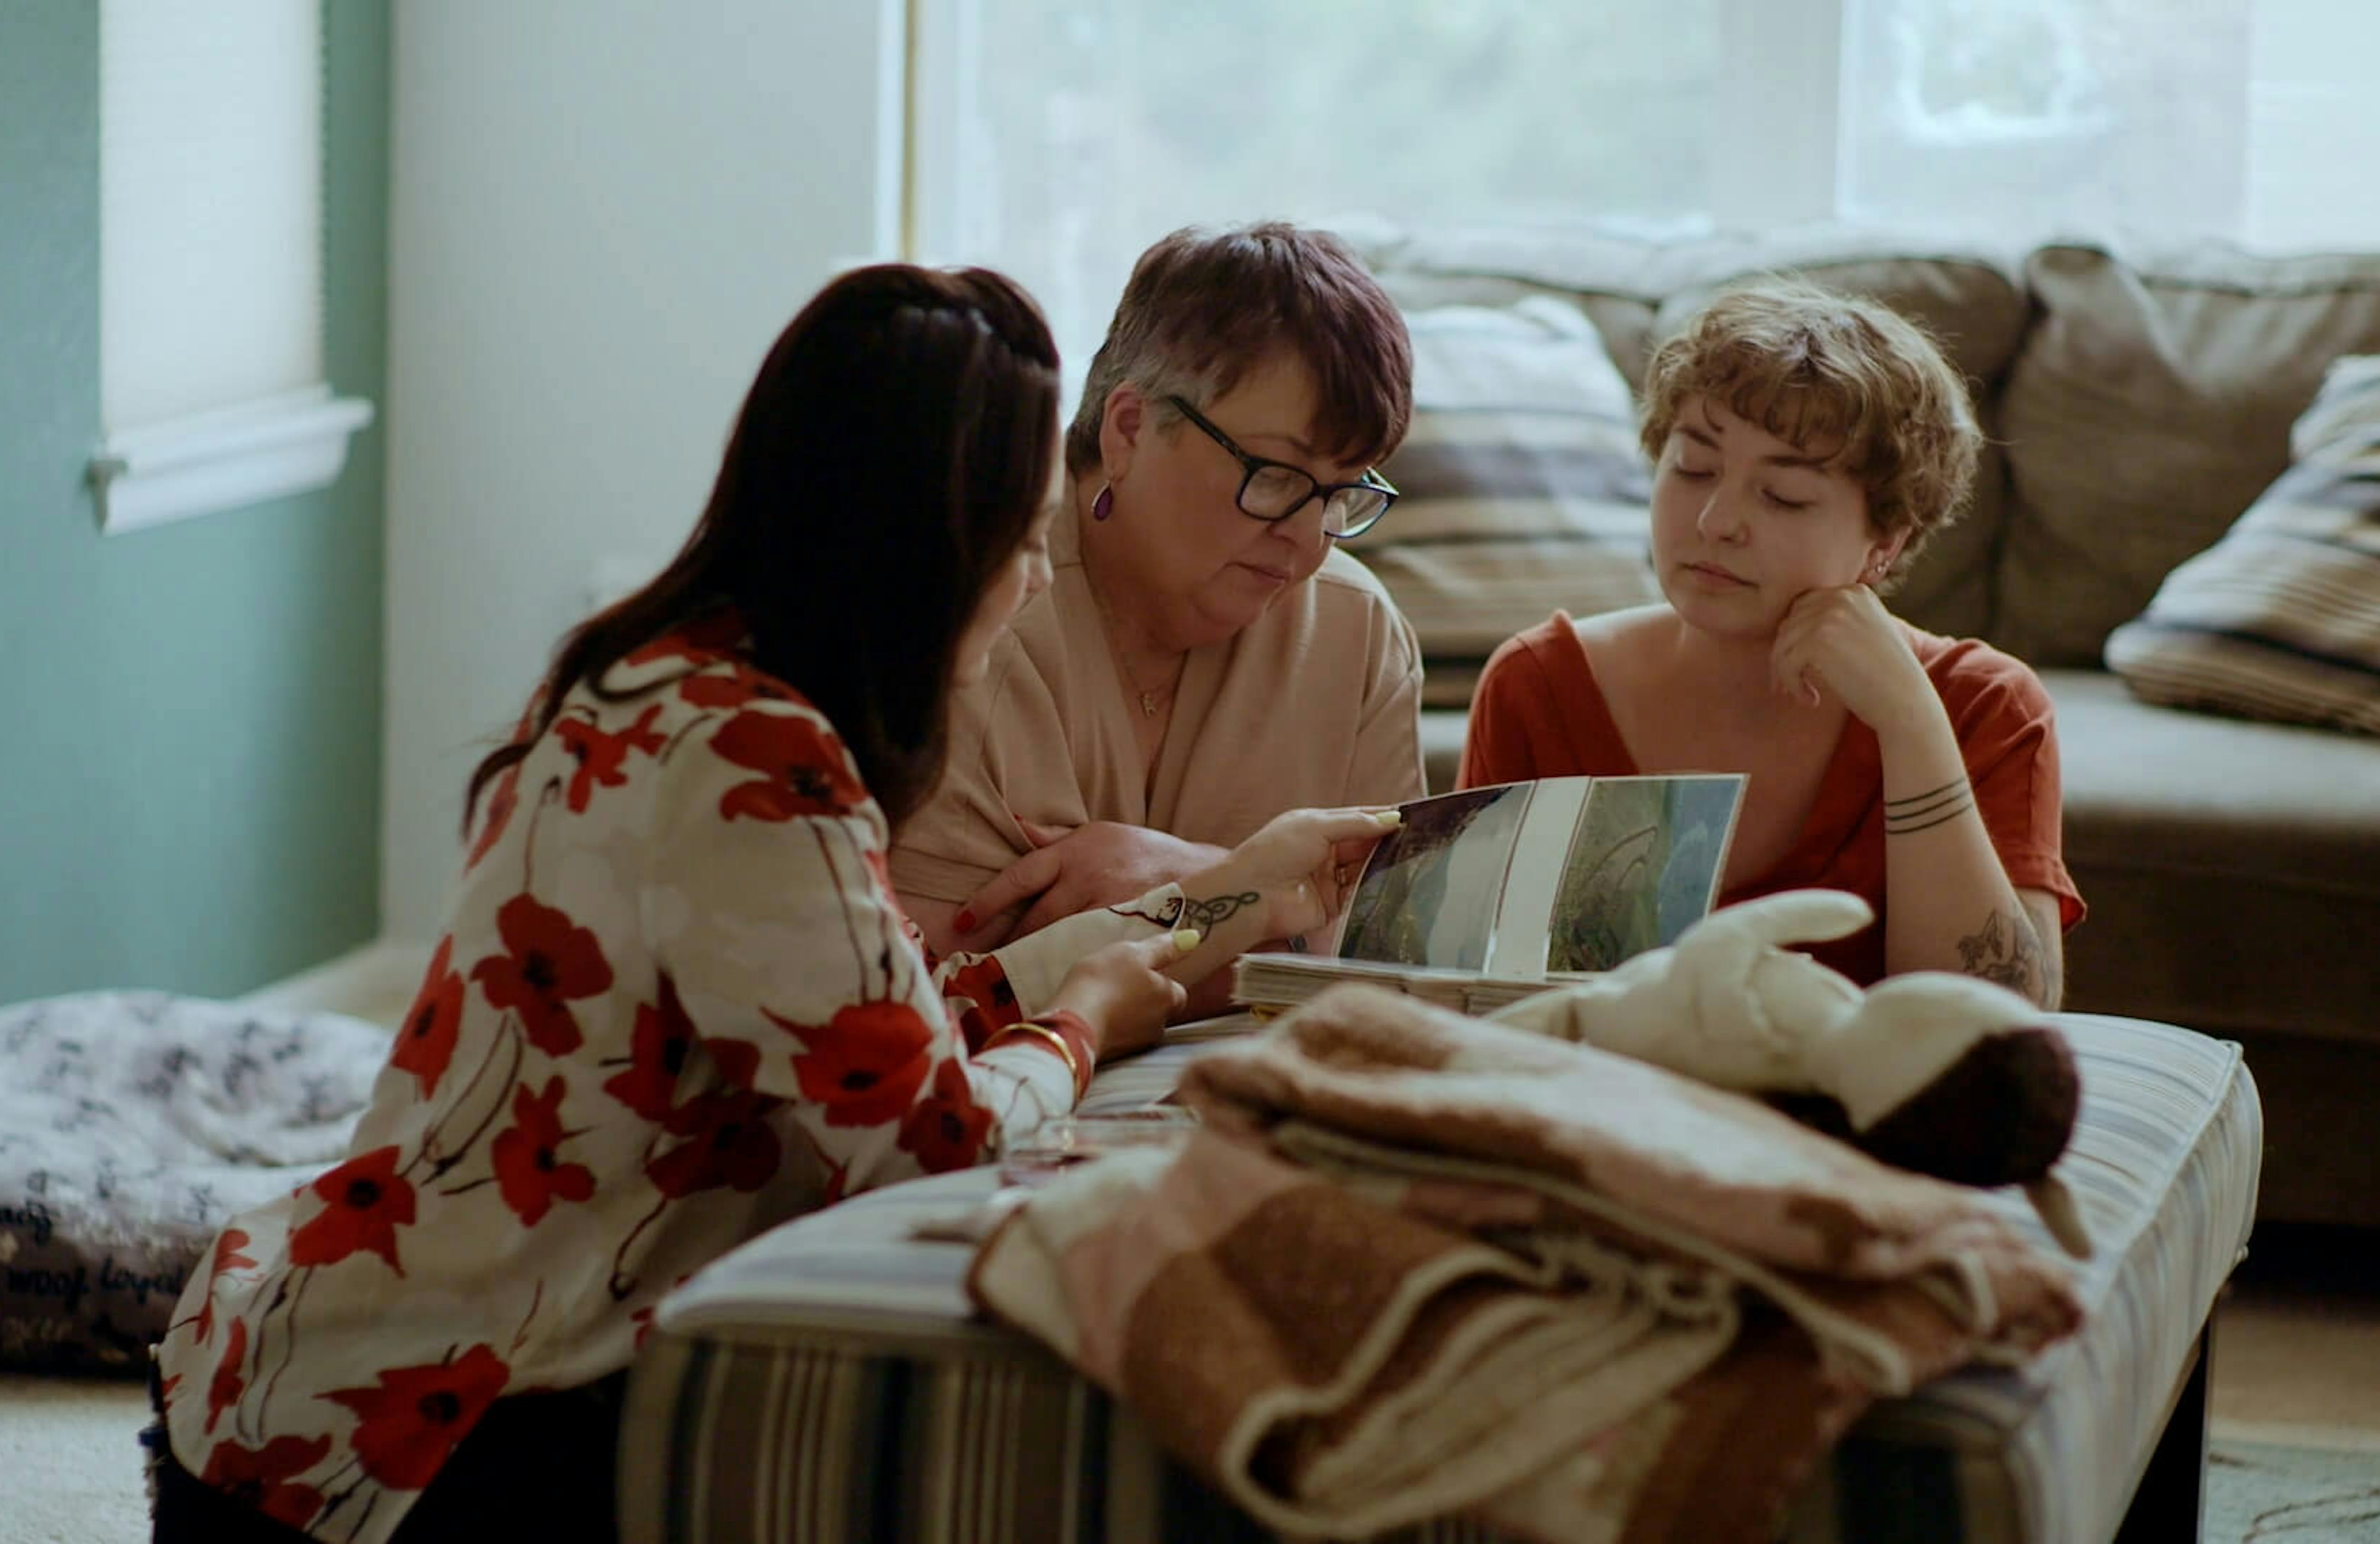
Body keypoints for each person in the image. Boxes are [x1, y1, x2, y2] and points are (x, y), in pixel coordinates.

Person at [142, 265, 1397, 1544]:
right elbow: (933, 1142)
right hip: (408, 1433)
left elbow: (895, 1021)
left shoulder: (666, 683)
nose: (1030, 581)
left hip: (321, 1361)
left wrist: (1226, 894)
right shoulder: (752, 767)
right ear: (919, 544)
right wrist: (1075, 1030)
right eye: (1018, 543)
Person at [1457, 279, 2083, 1006]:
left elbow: (2004, 1018)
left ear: (1887, 538)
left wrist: (1910, 723)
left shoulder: (1984, 704)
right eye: (1693, 467)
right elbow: (1475, 996)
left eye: (1784, 496)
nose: (1718, 521)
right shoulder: (1540, 683)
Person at [891, 222, 1427, 964]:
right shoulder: (974, 604)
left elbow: (1387, 953)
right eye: (1274, 476)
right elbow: (943, 993)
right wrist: (1268, 902)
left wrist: (1190, 881)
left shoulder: (1357, 631)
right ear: (1131, 429)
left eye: (1342, 493)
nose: (1309, 540)